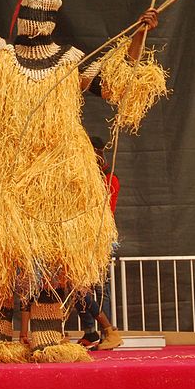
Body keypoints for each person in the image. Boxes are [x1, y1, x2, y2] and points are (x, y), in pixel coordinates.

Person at [0, 0, 162, 363]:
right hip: (3, 173)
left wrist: (138, 36)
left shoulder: (71, 61)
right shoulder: (1, 55)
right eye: (29, 14)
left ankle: (47, 335)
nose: (33, 22)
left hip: (55, 174)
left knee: (49, 254)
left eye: (40, 15)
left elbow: (115, 86)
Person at [75, 136, 123, 351]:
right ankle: (90, 331)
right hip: (81, 237)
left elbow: (104, 211)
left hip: (98, 237)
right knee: (78, 286)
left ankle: (108, 333)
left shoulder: (109, 179)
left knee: (99, 288)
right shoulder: (86, 177)